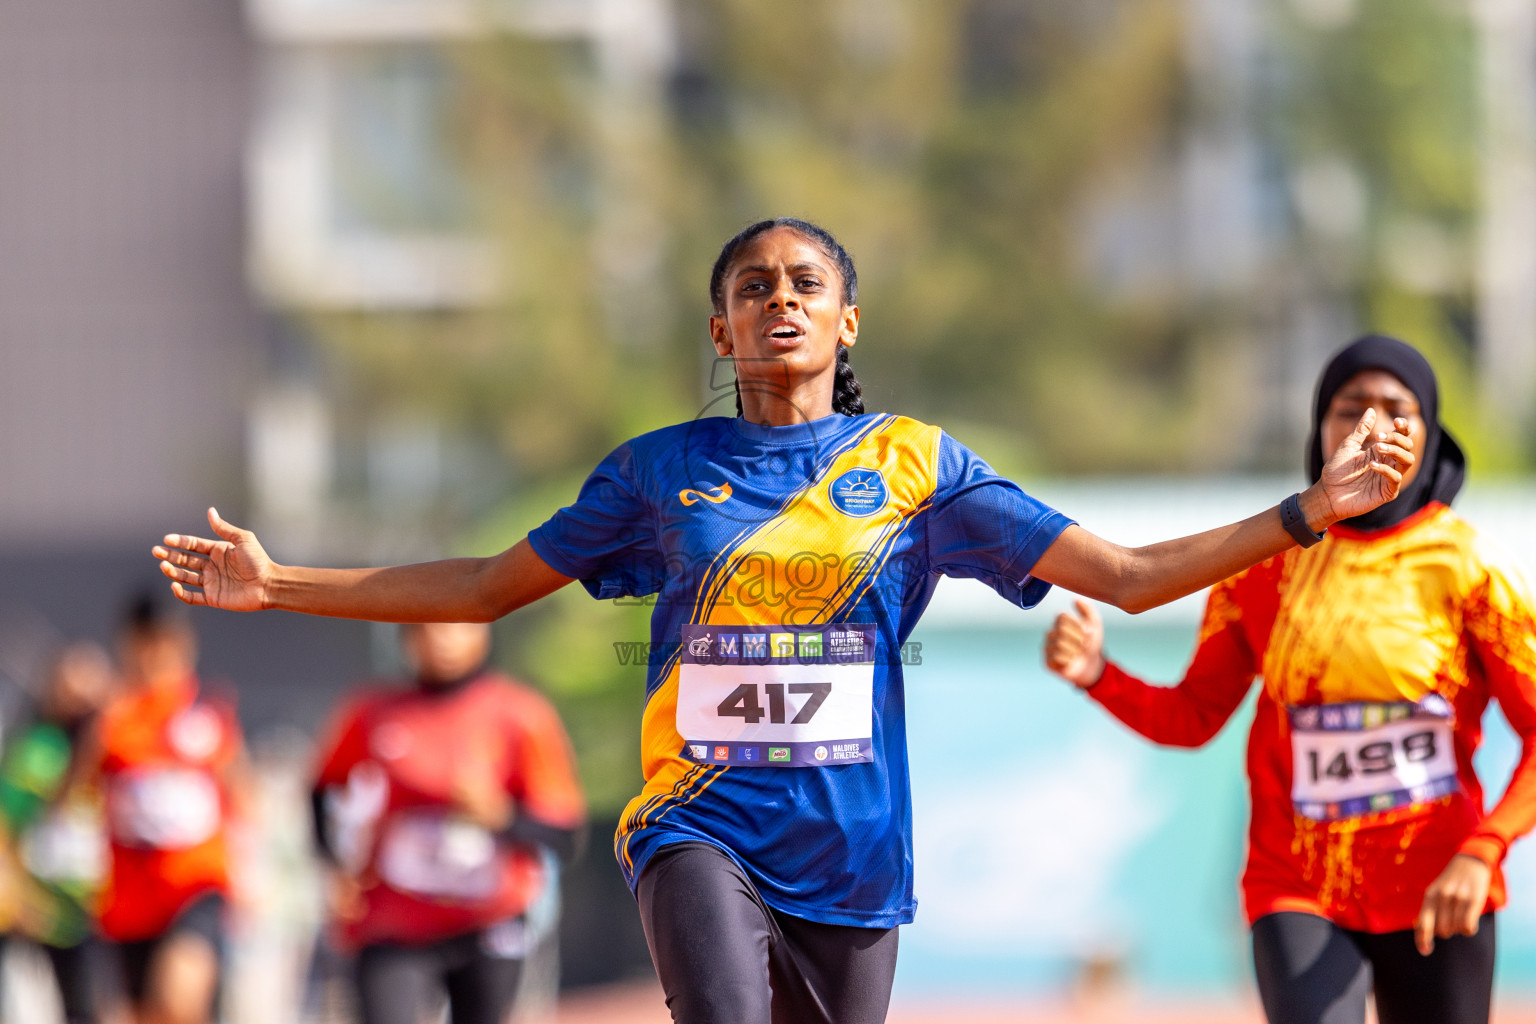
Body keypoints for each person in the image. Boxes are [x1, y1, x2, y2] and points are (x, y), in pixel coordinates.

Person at [151, 218, 1415, 1024]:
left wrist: (1307, 509)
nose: (781, 300)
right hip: (696, 819)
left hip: (855, 853)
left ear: (847, 319)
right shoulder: (657, 472)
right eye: (754, 288)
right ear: (723, 328)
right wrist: (283, 582)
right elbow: (484, 587)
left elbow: (1132, 575)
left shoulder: (922, 468)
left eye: (807, 282)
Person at [1043, 335, 1536, 1024]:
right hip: (1298, 886)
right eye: (1349, 407)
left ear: (1429, 432)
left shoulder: (1470, 569)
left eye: (1397, 410)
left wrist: (1484, 850)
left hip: (1438, 883)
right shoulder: (1263, 565)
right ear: (1320, 427)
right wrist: (1098, 675)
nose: (1371, 423)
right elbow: (1193, 716)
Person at [310, 620, 584, 1024]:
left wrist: (502, 817)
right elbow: (320, 789)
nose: (441, 638)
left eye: (457, 626)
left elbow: (566, 836)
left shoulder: (520, 715)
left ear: (484, 632)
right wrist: (333, 863)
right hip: (393, 920)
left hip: (488, 921)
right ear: (406, 639)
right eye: (426, 628)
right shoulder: (372, 712)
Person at [82, 594, 247, 1024]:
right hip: (131, 897)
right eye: (147, 643)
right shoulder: (111, 716)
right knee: (145, 1014)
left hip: (195, 884)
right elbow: (76, 793)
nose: (159, 656)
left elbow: (242, 790)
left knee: (179, 994)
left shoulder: (206, 709)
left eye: (168, 643)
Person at [0, 642, 113, 1024]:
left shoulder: (121, 745)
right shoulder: (35, 747)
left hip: (100, 905)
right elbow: (8, 822)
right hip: (39, 899)